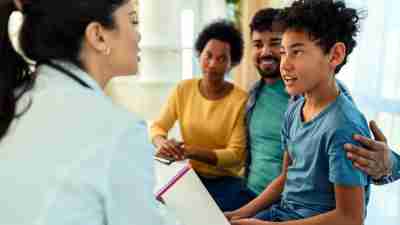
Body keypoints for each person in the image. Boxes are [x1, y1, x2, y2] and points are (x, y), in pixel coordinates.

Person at [0, 0, 165, 224]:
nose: (139, 36)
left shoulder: (14, 99)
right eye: (132, 20)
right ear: (98, 36)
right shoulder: (119, 131)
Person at [227, 1, 370, 224]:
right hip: (282, 214)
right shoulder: (294, 109)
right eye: (283, 52)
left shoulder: (344, 126)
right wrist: (240, 213)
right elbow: (287, 177)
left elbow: (350, 217)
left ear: (334, 55)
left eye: (297, 52)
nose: (284, 64)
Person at [150, 20, 248, 209]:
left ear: (232, 63)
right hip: (190, 176)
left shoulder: (241, 100)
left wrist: (189, 151)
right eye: (208, 55)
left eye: (222, 59)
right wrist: (163, 144)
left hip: (228, 182)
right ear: (199, 54)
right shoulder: (183, 89)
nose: (212, 64)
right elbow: (157, 126)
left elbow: (235, 155)